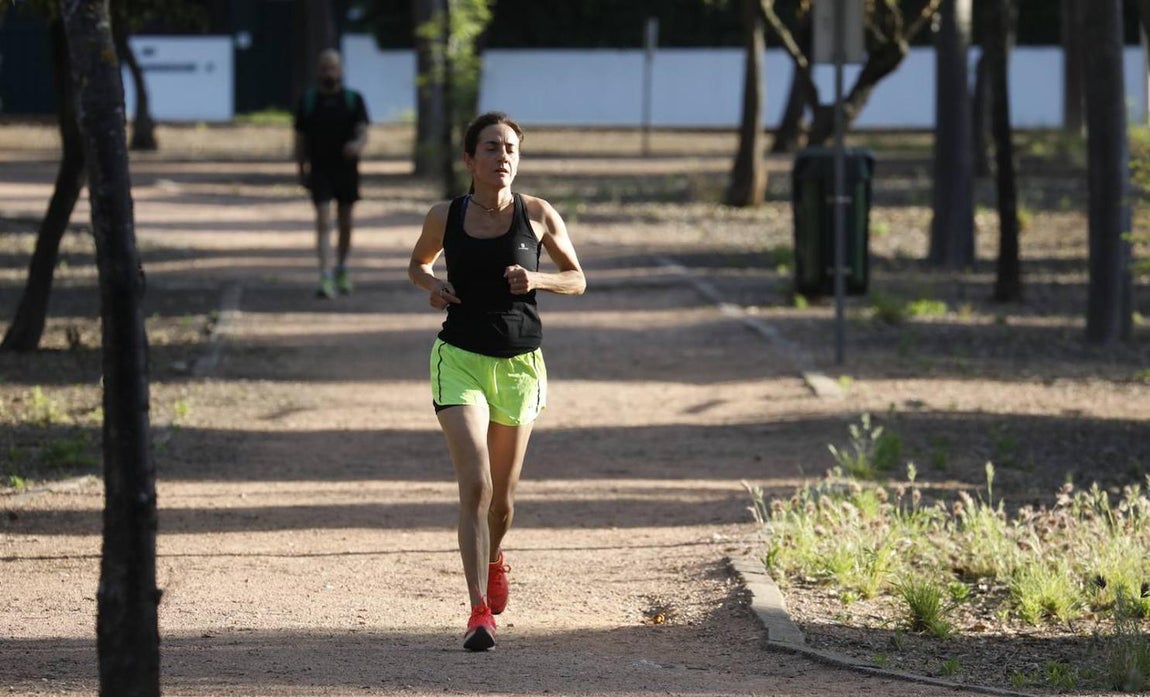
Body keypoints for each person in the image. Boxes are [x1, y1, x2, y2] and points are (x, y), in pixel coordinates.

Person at [408, 112, 586, 651]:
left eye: (510, 148)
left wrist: (538, 279)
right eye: (490, 148)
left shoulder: (536, 214)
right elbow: (417, 263)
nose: (502, 156)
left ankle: (493, 557)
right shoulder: (446, 214)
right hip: (459, 356)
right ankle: (478, 611)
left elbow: (577, 278)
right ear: (469, 160)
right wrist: (431, 285)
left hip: (519, 364)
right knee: (477, 485)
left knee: (503, 501)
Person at [293, 48, 369, 299]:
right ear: (318, 71)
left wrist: (357, 145)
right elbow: (300, 139)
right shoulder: (308, 101)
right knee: (323, 221)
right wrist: (301, 169)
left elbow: (362, 131)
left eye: (333, 67)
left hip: (346, 170)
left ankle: (342, 268)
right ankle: (324, 274)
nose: (329, 72)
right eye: (324, 67)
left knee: (345, 221)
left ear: (341, 70)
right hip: (319, 170)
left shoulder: (353, 100)